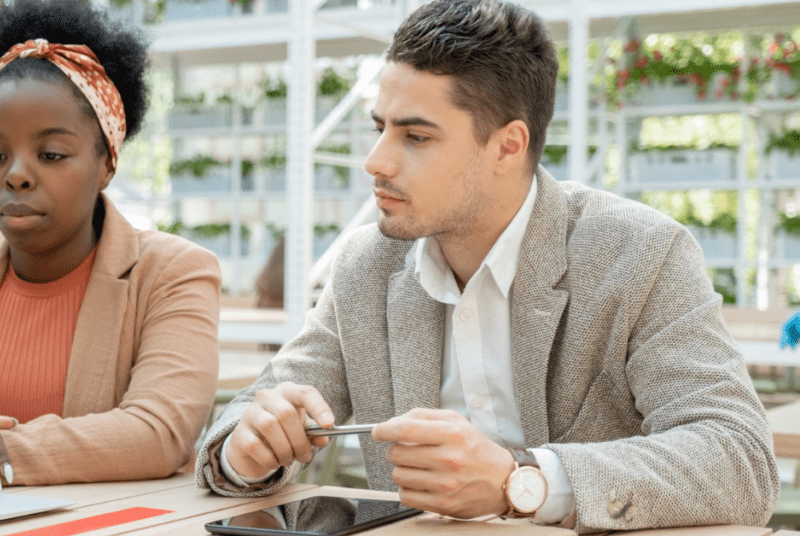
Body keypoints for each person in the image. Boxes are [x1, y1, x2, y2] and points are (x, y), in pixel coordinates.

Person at [195, 0, 778, 532]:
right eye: (379, 128)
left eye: (416, 137)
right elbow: (255, 412)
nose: (376, 161)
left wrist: (517, 482)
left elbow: (740, 459)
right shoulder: (366, 266)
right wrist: (245, 451)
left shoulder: (641, 253)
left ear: (507, 146)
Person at [0, 0, 221, 491]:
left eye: (51, 154)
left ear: (106, 164)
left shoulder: (173, 272)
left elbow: (157, 433)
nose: (14, 175)